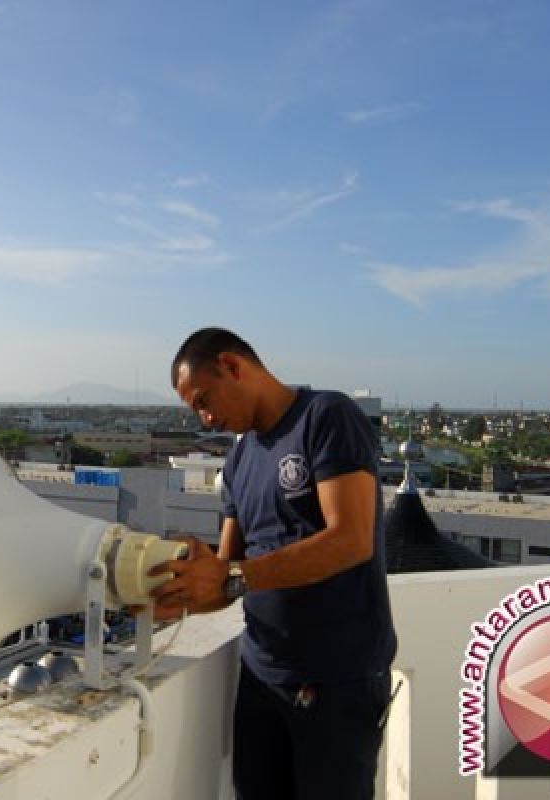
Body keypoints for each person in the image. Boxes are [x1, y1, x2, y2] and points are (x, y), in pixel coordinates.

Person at [152, 327, 397, 800]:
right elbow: (227, 572)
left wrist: (232, 576)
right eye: (195, 410)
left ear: (232, 366)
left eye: (204, 399)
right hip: (263, 676)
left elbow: (350, 540)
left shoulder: (326, 416)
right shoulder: (240, 461)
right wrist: (175, 596)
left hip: (336, 678)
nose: (206, 418)